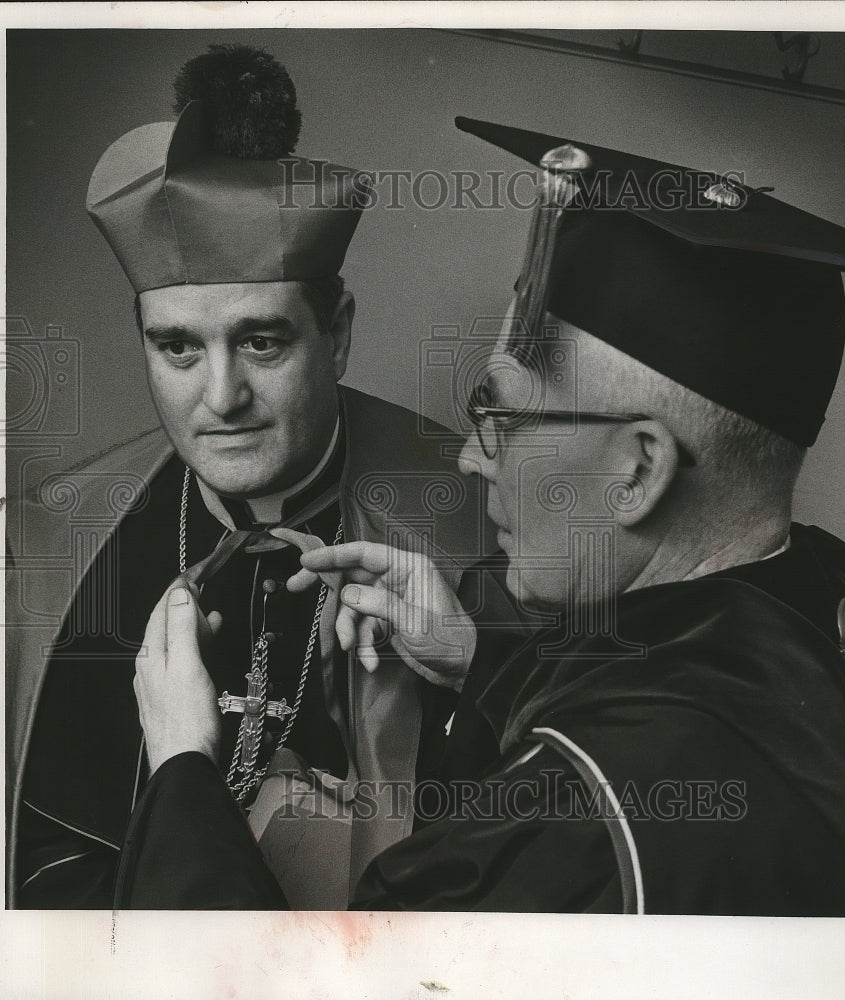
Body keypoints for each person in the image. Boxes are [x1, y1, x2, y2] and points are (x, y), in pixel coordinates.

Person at [111, 117, 845, 915]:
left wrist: (183, 768)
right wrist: (480, 664)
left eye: (503, 416)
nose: (469, 457)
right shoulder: (830, 597)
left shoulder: (572, 832)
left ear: (638, 467)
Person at [6, 50, 520, 909]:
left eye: (261, 342)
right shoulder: (44, 543)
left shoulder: (484, 523)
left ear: (340, 332)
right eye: (177, 347)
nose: (221, 399)